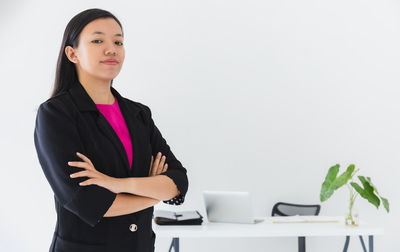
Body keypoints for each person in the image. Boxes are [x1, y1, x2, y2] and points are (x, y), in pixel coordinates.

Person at [33, 8, 189, 252]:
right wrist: (153, 193)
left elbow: (178, 182)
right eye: (97, 41)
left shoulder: (139, 114)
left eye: (118, 41)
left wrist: (115, 184)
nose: (111, 49)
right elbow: (87, 203)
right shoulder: (57, 114)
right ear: (72, 53)